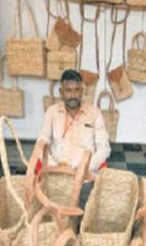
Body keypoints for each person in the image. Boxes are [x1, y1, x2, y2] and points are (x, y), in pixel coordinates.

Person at [37, 70, 111, 208]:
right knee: (53, 216)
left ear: (82, 90)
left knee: (84, 218)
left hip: (85, 180)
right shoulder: (52, 112)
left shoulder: (94, 113)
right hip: (57, 177)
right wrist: (54, 166)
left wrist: (85, 167)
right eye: (68, 90)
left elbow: (104, 148)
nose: (73, 95)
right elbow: (41, 144)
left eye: (77, 90)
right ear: (61, 91)